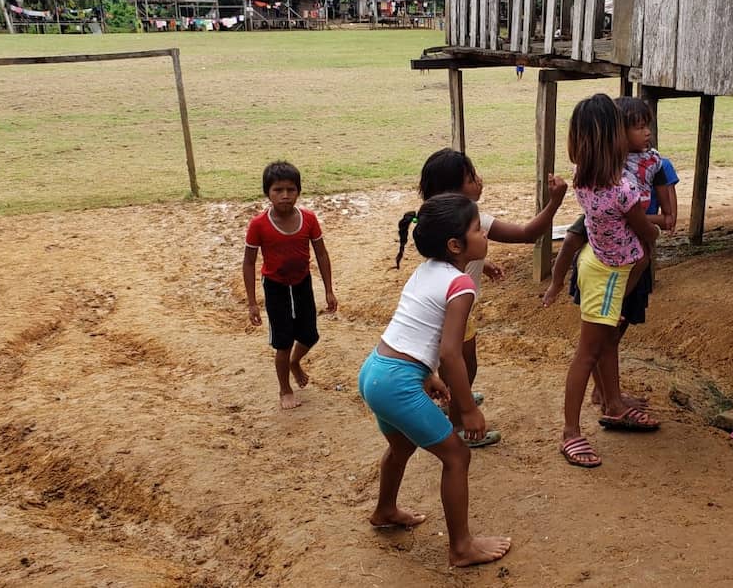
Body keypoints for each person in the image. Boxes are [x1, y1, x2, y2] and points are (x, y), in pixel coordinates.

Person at [360, 193, 512, 567]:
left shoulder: (426, 269)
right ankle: (461, 547)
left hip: (377, 369)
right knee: (457, 456)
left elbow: (414, 328)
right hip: (397, 381)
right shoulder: (461, 284)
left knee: (401, 448)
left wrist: (425, 376)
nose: (484, 234)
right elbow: (449, 352)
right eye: (478, 228)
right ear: (455, 244)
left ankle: (385, 511)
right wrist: (468, 408)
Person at [408, 148, 567, 446]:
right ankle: (458, 421)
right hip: (453, 306)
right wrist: (555, 201)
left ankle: (456, 398)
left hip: (446, 302)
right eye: (471, 178)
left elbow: (450, 258)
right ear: (453, 190)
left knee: (462, 363)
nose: (480, 181)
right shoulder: (475, 220)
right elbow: (528, 233)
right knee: (464, 365)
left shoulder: (438, 220)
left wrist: (484, 263)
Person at [543, 97, 678, 408]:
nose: (646, 133)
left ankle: (608, 395)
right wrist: (647, 224)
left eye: (647, 126)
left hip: (615, 264)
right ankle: (599, 407)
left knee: (605, 340)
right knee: (600, 343)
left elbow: (667, 218)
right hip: (614, 269)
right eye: (636, 127)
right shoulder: (614, 185)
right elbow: (576, 238)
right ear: (615, 135)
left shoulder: (596, 177)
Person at [557, 94, 661, 469]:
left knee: (606, 343)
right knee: (588, 353)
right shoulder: (623, 190)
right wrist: (656, 230)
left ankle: (614, 405)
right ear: (613, 139)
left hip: (598, 265)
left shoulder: (583, 178)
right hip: (610, 276)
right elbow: (645, 230)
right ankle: (570, 432)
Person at [243, 161, 338, 409]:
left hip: (302, 283)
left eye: (291, 189)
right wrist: (252, 303)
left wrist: (329, 289)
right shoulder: (258, 225)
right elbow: (249, 262)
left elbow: (322, 254)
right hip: (275, 287)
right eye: (278, 190)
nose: (285, 195)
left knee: (309, 334)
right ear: (268, 193)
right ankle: (285, 389)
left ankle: (296, 362)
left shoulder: (308, 219)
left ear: (298, 191)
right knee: (283, 341)